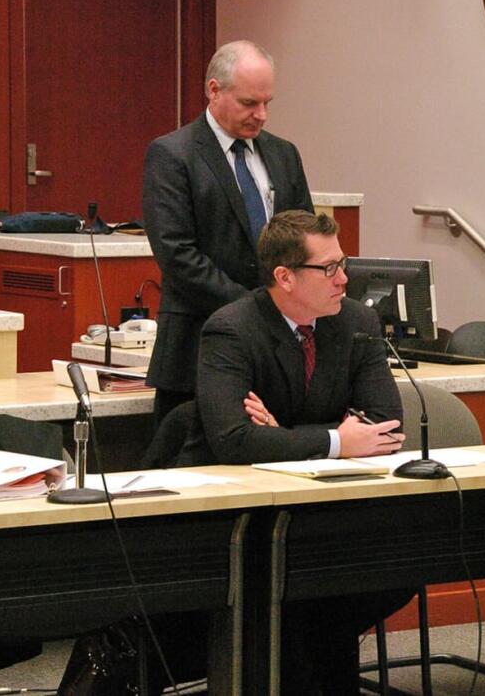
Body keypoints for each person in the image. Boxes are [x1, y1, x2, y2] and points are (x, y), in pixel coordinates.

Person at [174, 209, 408, 694]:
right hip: (228, 518)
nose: (344, 279)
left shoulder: (358, 321)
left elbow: (385, 426)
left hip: (320, 512)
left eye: (343, 264)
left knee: (385, 570)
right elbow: (234, 440)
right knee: (304, 599)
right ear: (284, 277)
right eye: (329, 269)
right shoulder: (232, 329)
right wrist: (338, 441)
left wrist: (285, 435)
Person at [142, 40, 314, 432]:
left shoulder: (284, 154)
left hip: (275, 353)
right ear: (214, 90)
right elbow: (177, 255)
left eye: (268, 102)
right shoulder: (173, 155)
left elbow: (303, 239)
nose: (262, 115)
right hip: (198, 346)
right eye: (249, 103)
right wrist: (257, 307)